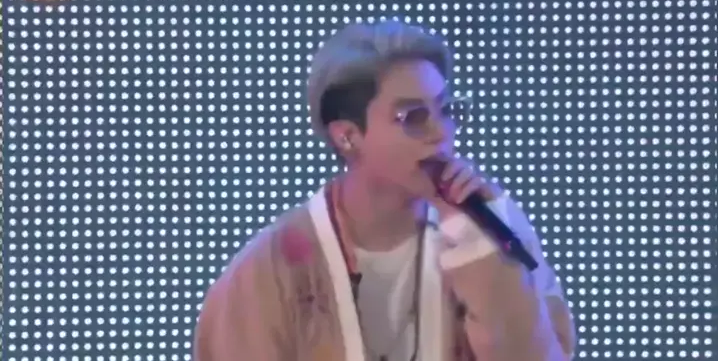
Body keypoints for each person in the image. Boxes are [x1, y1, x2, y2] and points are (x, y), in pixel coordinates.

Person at [193, 20, 576, 361]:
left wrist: (477, 247)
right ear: (347, 136)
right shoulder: (270, 266)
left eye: (446, 110)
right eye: (414, 117)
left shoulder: (492, 226)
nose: (441, 132)